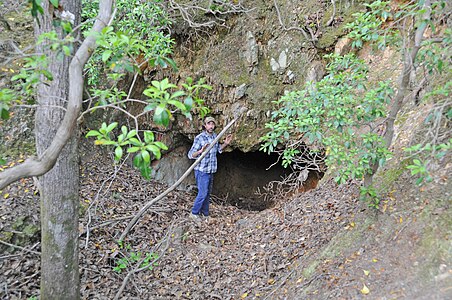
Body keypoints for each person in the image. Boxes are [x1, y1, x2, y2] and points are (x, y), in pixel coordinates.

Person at [188, 116, 232, 221]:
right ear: (205, 125)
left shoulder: (215, 137)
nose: (211, 126)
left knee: (207, 193)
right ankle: (194, 213)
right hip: (201, 170)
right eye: (209, 124)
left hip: (211, 169)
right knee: (202, 193)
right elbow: (190, 155)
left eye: (212, 124)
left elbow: (217, 150)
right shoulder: (200, 138)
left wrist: (225, 144)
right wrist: (200, 151)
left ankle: (205, 214)